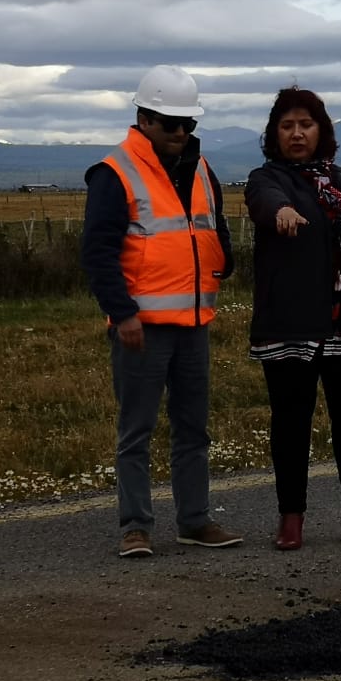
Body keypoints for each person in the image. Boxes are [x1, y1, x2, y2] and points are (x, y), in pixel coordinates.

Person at [81, 65, 242, 558]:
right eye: (171, 122)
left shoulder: (203, 170)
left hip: (195, 324)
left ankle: (194, 520)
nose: (180, 132)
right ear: (143, 119)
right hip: (141, 329)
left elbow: (215, 231)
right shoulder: (115, 173)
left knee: (194, 429)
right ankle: (135, 526)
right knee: (137, 430)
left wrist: (221, 265)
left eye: (188, 124)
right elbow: (98, 252)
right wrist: (122, 313)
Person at [245, 86, 341, 551]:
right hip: (291, 324)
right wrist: (282, 211)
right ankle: (291, 520)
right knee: (291, 422)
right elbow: (265, 204)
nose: (297, 133)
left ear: (322, 130)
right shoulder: (266, 179)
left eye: (305, 124)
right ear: (274, 134)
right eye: (286, 126)